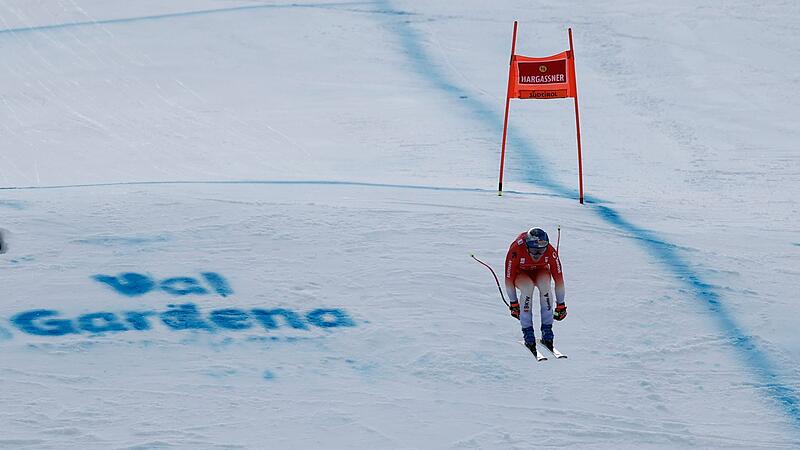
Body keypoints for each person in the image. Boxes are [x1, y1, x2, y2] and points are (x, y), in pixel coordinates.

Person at [504, 227, 567, 354]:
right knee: (527, 288)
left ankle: (547, 330)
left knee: (545, 286)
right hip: (521, 273)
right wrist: (514, 303)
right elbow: (508, 279)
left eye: (541, 250)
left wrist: (561, 304)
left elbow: (559, 280)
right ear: (527, 246)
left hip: (540, 271)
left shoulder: (550, 251)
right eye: (533, 250)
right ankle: (528, 331)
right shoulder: (516, 249)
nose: (537, 254)